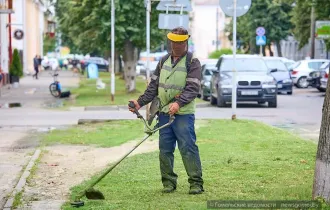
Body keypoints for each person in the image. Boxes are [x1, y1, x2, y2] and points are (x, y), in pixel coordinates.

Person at [128, 27, 204, 194]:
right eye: (173, 41)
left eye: (179, 42)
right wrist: (139, 103)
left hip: (183, 115)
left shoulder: (193, 62)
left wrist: (178, 103)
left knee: (188, 148)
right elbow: (153, 87)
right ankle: (169, 182)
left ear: (185, 42)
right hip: (163, 114)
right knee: (165, 149)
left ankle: (196, 183)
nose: (175, 45)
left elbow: (193, 88)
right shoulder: (163, 61)